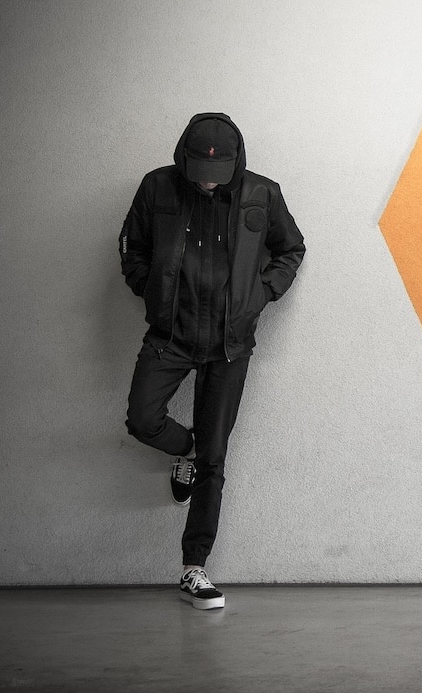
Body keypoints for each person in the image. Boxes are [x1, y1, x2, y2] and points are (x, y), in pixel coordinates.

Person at [119, 113, 306, 609]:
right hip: (170, 333)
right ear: (182, 156)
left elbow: (292, 248)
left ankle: (194, 568)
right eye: (200, 170)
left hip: (230, 340)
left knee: (215, 462)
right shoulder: (157, 187)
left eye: (219, 172)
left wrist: (259, 294)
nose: (207, 180)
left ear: (235, 161)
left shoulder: (262, 194)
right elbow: (132, 248)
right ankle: (187, 451)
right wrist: (151, 291)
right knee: (142, 419)